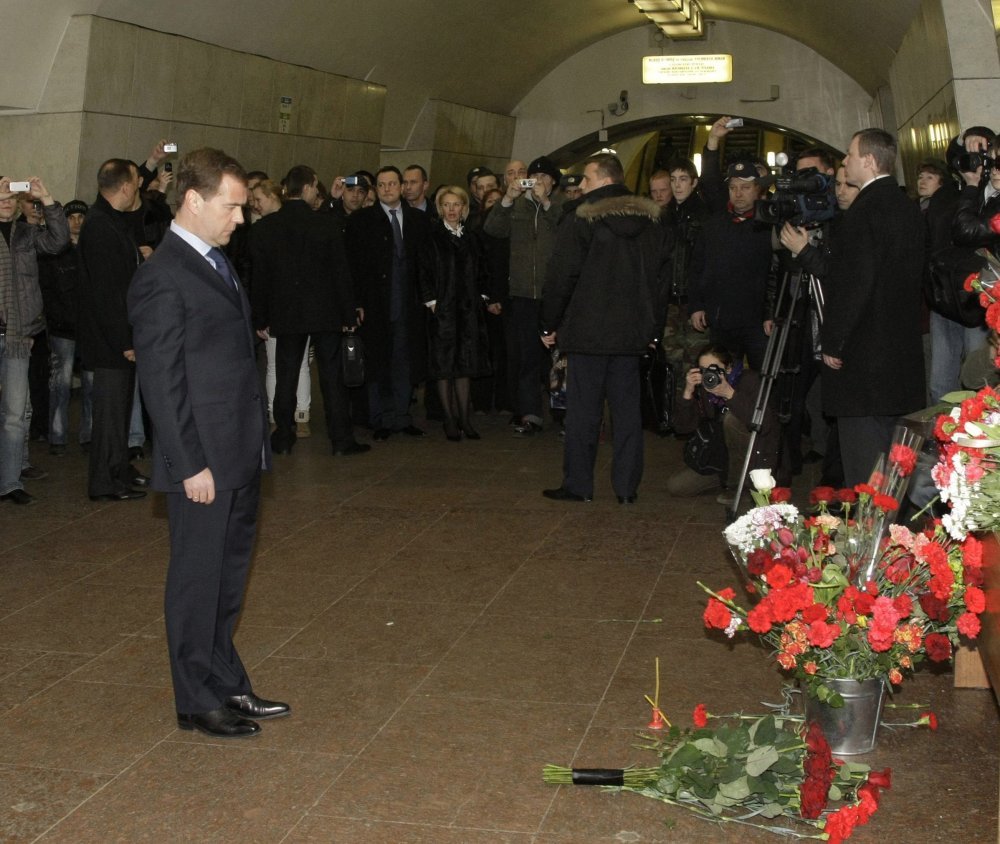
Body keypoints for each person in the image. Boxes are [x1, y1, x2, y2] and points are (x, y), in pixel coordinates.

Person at [128, 147, 288, 739]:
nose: (240, 219)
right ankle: (195, 699)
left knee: (227, 577)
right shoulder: (162, 275)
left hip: (237, 450)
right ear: (193, 200)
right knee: (197, 580)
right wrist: (188, 464)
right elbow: (161, 382)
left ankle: (224, 680)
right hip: (203, 462)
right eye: (232, 207)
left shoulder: (214, 260)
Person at [540, 153, 672, 503]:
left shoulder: (581, 218)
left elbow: (561, 275)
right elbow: (661, 281)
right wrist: (653, 330)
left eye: (586, 177)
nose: (581, 185)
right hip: (631, 333)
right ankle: (627, 489)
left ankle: (578, 485)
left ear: (603, 179)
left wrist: (549, 322)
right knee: (627, 415)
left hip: (588, 331)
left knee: (583, 413)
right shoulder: (652, 221)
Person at [821, 128, 925, 486]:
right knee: (897, 471)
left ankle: (871, 525)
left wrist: (834, 341)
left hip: (864, 364)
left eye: (850, 154)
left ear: (867, 161)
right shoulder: (907, 208)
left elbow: (853, 286)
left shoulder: (862, 213)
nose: (845, 160)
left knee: (866, 475)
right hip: (901, 360)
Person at [251, 165, 368, 457]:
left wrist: (260, 317)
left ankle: (283, 436)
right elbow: (340, 273)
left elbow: (260, 277)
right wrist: (348, 314)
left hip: (286, 313)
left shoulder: (265, 228)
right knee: (331, 377)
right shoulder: (325, 225)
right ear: (307, 187)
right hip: (325, 312)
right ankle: (341, 439)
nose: (317, 191)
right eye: (315, 186)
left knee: (286, 374)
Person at [77, 159, 149, 501]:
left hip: (117, 336)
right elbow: (107, 292)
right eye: (136, 181)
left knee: (119, 412)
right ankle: (104, 482)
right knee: (109, 415)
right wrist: (125, 341)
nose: (139, 187)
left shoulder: (111, 220)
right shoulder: (99, 225)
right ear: (125, 187)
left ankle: (119, 470)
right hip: (109, 341)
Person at [345, 166, 431, 441]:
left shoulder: (418, 220)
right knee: (378, 362)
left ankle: (402, 416)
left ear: (402, 187)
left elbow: (426, 263)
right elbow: (352, 266)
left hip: (408, 304)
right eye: (381, 185)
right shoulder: (361, 221)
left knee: (404, 361)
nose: (387, 189)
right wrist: (356, 302)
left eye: (392, 184)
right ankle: (380, 418)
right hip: (375, 305)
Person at [0, 176, 69, 505]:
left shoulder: (26, 235)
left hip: (17, 336)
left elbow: (59, 240)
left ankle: (10, 482)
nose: (6, 201)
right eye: (0, 196)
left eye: (10, 197)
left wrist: (48, 198)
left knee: (15, 415)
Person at [484, 156, 564, 435]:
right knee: (527, 356)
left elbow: (568, 232)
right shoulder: (516, 205)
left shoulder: (561, 206)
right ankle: (530, 413)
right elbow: (492, 229)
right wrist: (507, 198)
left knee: (559, 358)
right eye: (534, 177)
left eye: (544, 177)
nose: (538, 182)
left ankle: (564, 414)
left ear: (553, 182)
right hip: (522, 294)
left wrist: (546, 203)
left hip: (554, 295)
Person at [418, 186, 491, 440]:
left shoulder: (472, 237)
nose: (451, 209)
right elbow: (423, 272)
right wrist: (432, 302)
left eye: (456, 204)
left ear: (464, 208)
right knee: (444, 365)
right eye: (446, 205)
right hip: (443, 311)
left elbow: (483, 270)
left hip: (468, 311)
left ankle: (465, 419)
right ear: (440, 208)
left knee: (465, 365)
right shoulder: (432, 237)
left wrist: (482, 295)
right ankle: (449, 419)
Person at [667, 343, 779, 499]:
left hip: (755, 456)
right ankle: (727, 479)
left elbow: (765, 425)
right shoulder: (704, 387)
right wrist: (688, 392)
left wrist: (730, 394)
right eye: (703, 370)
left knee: (731, 420)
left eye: (714, 369)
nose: (709, 374)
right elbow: (682, 428)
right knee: (676, 486)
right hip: (720, 458)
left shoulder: (750, 380)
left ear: (729, 368)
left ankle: (737, 486)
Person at [39, 198, 93, 456]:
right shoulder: (55, 252)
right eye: (71, 217)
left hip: (89, 327)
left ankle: (88, 435)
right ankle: (57, 437)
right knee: (60, 384)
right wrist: (55, 319)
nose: (76, 222)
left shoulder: (93, 251)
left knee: (91, 385)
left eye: (81, 217)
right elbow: (48, 290)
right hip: (63, 328)